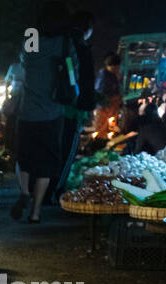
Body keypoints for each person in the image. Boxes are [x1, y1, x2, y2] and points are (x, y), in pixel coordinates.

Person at [10, 1, 76, 223]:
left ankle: (24, 192)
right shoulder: (66, 43)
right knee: (46, 164)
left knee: (24, 158)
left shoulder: (31, 37)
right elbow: (72, 73)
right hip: (52, 113)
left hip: (27, 112)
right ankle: (36, 212)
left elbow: (24, 62)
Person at [56, 11, 97, 194]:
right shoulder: (81, 48)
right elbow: (85, 81)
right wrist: (89, 107)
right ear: (87, 29)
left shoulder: (62, 44)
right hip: (74, 107)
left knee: (56, 148)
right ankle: (56, 190)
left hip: (57, 106)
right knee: (67, 152)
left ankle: (44, 189)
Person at [94, 53, 122, 134]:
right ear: (112, 66)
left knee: (109, 125)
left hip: (111, 106)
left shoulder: (112, 75)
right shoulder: (103, 75)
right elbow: (98, 91)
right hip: (105, 107)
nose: (118, 69)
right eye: (117, 67)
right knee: (102, 126)